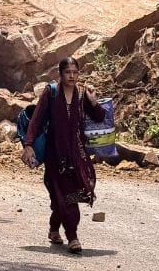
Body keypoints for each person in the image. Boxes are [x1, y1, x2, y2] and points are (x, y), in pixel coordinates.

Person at [22, 56, 105, 255]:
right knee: (60, 194)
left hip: (76, 153)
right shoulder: (50, 93)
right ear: (60, 74)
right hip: (54, 153)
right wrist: (28, 145)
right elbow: (37, 120)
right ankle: (73, 236)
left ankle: (54, 229)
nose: (72, 76)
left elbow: (100, 117)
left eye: (75, 72)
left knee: (72, 192)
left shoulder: (83, 94)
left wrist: (94, 102)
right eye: (68, 72)